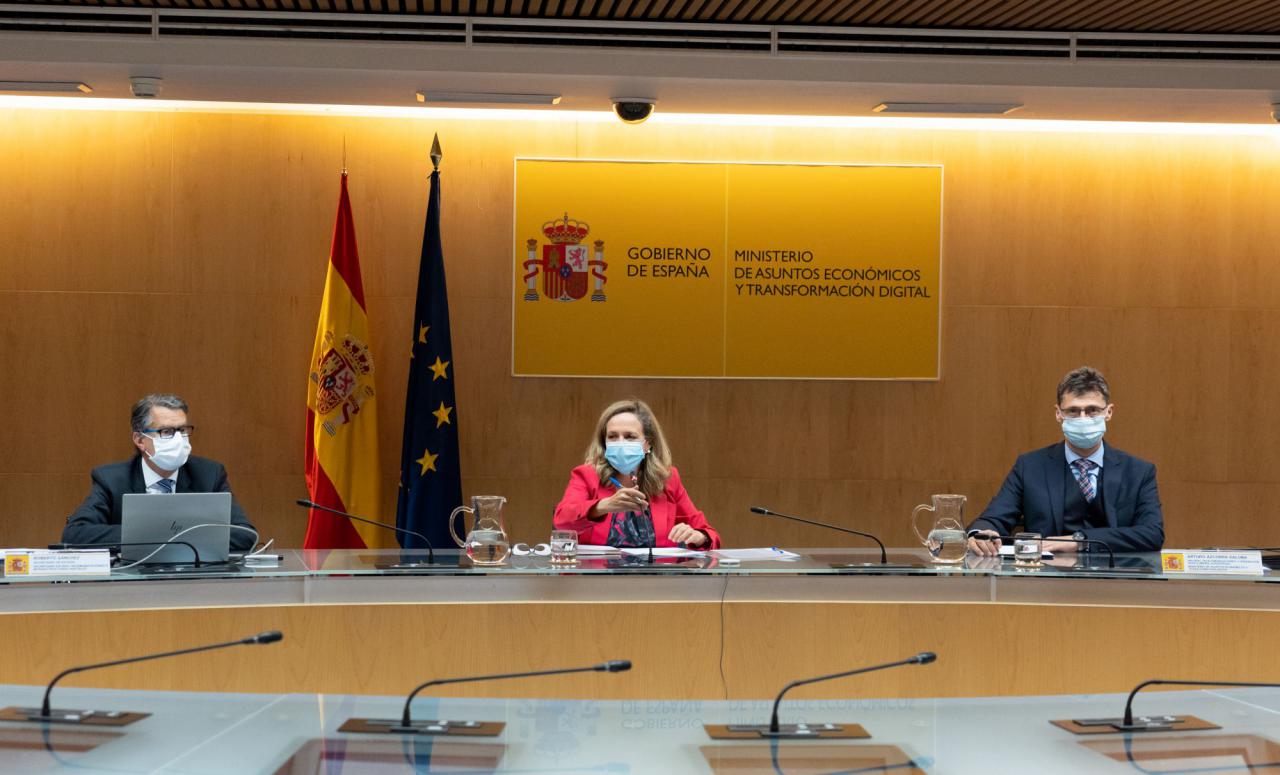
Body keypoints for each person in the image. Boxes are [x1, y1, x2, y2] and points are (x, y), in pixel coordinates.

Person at [967, 367, 1164, 555]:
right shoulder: (1030, 467)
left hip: (1118, 581)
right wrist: (981, 534)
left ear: (1109, 412)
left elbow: (1152, 534)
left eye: (1092, 410)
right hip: (1046, 580)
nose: (1083, 418)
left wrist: (1079, 541)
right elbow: (993, 518)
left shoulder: (1138, 472)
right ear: (1058, 413)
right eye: (1073, 411)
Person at [62, 393, 257, 552]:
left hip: (194, 583)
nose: (179, 439)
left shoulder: (209, 474)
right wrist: (158, 535)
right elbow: (76, 534)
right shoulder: (112, 480)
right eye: (167, 432)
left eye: (182, 430)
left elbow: (245, 534)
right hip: (132, 586)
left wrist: (167, 536)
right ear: (140, 440)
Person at [554, 399, 721, 550]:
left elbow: (710, 535)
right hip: (598, 579)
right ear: (604, 443)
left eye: (630, 436)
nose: (620, 442)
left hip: (656, 579)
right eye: (612, 436)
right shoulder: (587, 475)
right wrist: (603, 506)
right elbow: (562, 521)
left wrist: (699, 537)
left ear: (647, 444)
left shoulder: (667, 479)